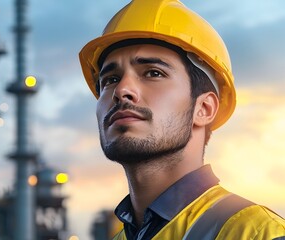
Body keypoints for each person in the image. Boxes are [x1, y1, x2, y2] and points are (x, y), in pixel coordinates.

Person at [79, 0, 285, 239]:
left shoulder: (256, 233)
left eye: (153, 73)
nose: (122, 89)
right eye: (110, 79)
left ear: (204, 108)